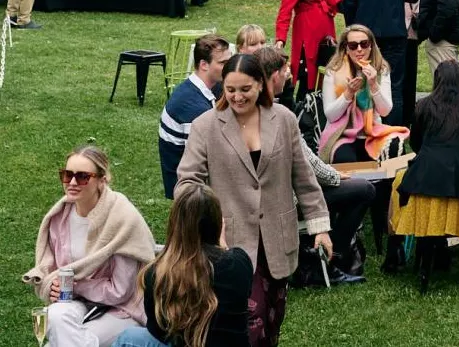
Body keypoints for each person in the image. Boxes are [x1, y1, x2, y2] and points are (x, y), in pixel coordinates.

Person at [176, 54, 331, 347]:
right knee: (252, 321)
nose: (236, 97)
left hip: (278, 237)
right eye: (230, 89)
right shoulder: (205, 126)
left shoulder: (284, 119)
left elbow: (303, 177)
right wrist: (209, 221)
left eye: (244, 89)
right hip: (232, 244)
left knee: (273, 318)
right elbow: (186, 182)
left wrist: (319, 227)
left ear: (261, 84)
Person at [259, 47, 373, 284]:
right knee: (364, 190)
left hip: (289, 190)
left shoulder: (274, 105)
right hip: (289, 198)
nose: (290, 73)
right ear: (273, 75)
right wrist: (336, 177)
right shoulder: (275, 113)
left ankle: (327, 253)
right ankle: (333, 258)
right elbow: (306, 161)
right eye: (285, 70)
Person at [24, 145, 155, 347]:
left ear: (102, 180)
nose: (73, 183)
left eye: (83, 177)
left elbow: (121, 291)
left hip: (122, 308)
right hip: (78, 301)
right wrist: (53, 286)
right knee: (54, 317)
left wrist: (74, 286)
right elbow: (51, 271)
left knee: (80, 340)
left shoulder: (122, 219)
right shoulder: (59, 217)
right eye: (67, 175)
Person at [391, 60, 459, 289]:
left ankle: (408, 254)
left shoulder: (423, 105)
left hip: (429, 179)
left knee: (399, 182)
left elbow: (418, 145)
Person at [111, 183, 254, 347]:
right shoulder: (239, 262)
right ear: (218, 223)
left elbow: (157, 332)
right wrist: (222, 244)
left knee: (129, 338)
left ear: (174, 224)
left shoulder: (156, 273)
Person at [318, 25, 409, 162]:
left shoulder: (381, 70)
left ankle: (385, 183)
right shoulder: (333, 72)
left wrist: (373, 85)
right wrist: (348, 94)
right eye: (353, 46)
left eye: (364, 44)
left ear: (371, 46)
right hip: (342, 133)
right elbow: (331, 116)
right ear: (346, 49)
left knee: (395, 147)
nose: (359, 49)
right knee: (345, 158)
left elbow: (385, 111)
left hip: (372, 131)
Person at [159, 33, 232, 198]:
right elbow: (209, 161)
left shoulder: (201, 87)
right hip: (190, 190)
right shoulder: (194, 109)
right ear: (204, 65)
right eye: (223, 63)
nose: (230, 67)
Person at [384, 0, 422, 129]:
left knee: (406, 69)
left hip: (406, 16)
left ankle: (407, 115)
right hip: (388, 17)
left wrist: (415, 13)